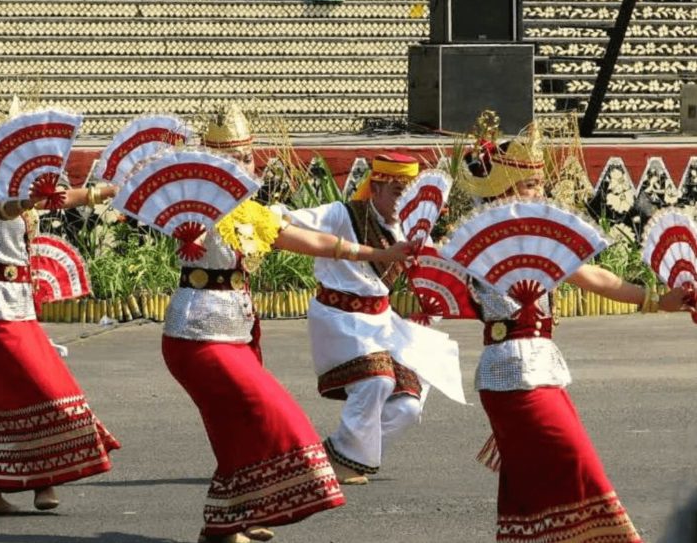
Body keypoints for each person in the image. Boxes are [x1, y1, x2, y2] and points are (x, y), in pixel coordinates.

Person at [159, 105, 418, 543]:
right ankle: (241, 514)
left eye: (246, 157)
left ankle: (232, 521)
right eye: (234, 159)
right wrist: (189, 230)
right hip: (196, 335)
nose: (245, 166)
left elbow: (315, 242)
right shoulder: (191, 205)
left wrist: (379, 255)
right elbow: (167, 221)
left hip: (237, 333)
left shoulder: (252, 213)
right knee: (272, 416)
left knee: (237, 430)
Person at [457, 126, 687, 543]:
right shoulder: (484, 242)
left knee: (539, 482)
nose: (539, 191)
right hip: (512, 377)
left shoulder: (537, 239)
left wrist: (657, 300)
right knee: (574, 464)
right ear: (505, 187)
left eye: (539, 182)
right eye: (530, 184)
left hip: (540, 372)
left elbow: (592, 275)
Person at [0, 148, 121, 514]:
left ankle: (1, 490)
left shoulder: (20, 196)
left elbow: (60, 200)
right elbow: (9, 208)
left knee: (11, 399)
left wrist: (107, 190)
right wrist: (36, 194)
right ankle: (32, 482)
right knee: (46, 389)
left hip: (17, 307)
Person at [286, 153, 465, 486]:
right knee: (376, 381)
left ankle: (333, 454)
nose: (402, 202)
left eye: (409, 195)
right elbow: (284, 220)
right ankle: (345, 461)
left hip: (381, 320)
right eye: (397, 192)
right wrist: (251, 216)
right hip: (339, 318)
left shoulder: (410, 230)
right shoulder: (343, 214)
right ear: (377, 187)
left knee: (407, 405)